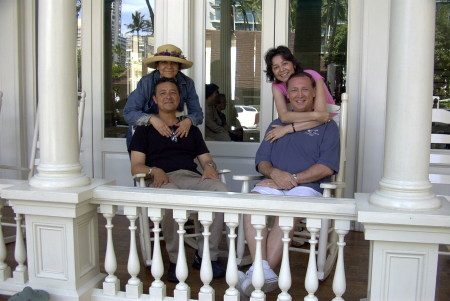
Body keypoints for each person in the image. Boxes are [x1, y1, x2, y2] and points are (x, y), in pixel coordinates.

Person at [237, 72, 340, 297]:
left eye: (305, 89)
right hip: (274, 182)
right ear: (287, 95)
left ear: (314, 93)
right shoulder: (276, 123)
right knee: (250, 204)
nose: (299, 95)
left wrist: (290, 179)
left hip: (307, 186)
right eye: (294, 90)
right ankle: (262, 272)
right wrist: (274, 173)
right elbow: (261, 160)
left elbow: (326, 167)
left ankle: (254, 276)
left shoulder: (327, 126)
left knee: (287, 213)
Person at [129, 77, 226, 283]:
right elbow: (136, 166)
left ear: (179, 97)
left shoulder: (190, 129)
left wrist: (209, 168)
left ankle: (207, 255)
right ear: (154, 98)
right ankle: (175, 259)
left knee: (220, 189)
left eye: (173, 92)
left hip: (190, 177)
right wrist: (155, 170)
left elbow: (207, 160)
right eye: (162, 93)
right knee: (171, 196)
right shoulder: (144, 130)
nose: (168, 96)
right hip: (162, 179)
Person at [123, 44, 203, 150]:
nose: (169, 67)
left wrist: (189, 121)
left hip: (173, 131)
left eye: (174, 63)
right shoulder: (146, 82)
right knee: (141, 165)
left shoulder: (187, 83)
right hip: (145, 131)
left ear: (179, 66)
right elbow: (129, 112)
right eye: (164, 62)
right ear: (157, 66)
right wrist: (152, 119)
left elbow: (198, 113)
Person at [263, 45, 335, 143]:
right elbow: (284, 117)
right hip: (302, 122)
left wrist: (287, 129)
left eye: (285, 63)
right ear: (272, 71)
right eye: (276, 67)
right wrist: (316, 116)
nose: (282, 69)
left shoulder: (312, 75)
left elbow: (323, 117)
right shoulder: (276, 86)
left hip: (329, 122)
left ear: (294, 64)